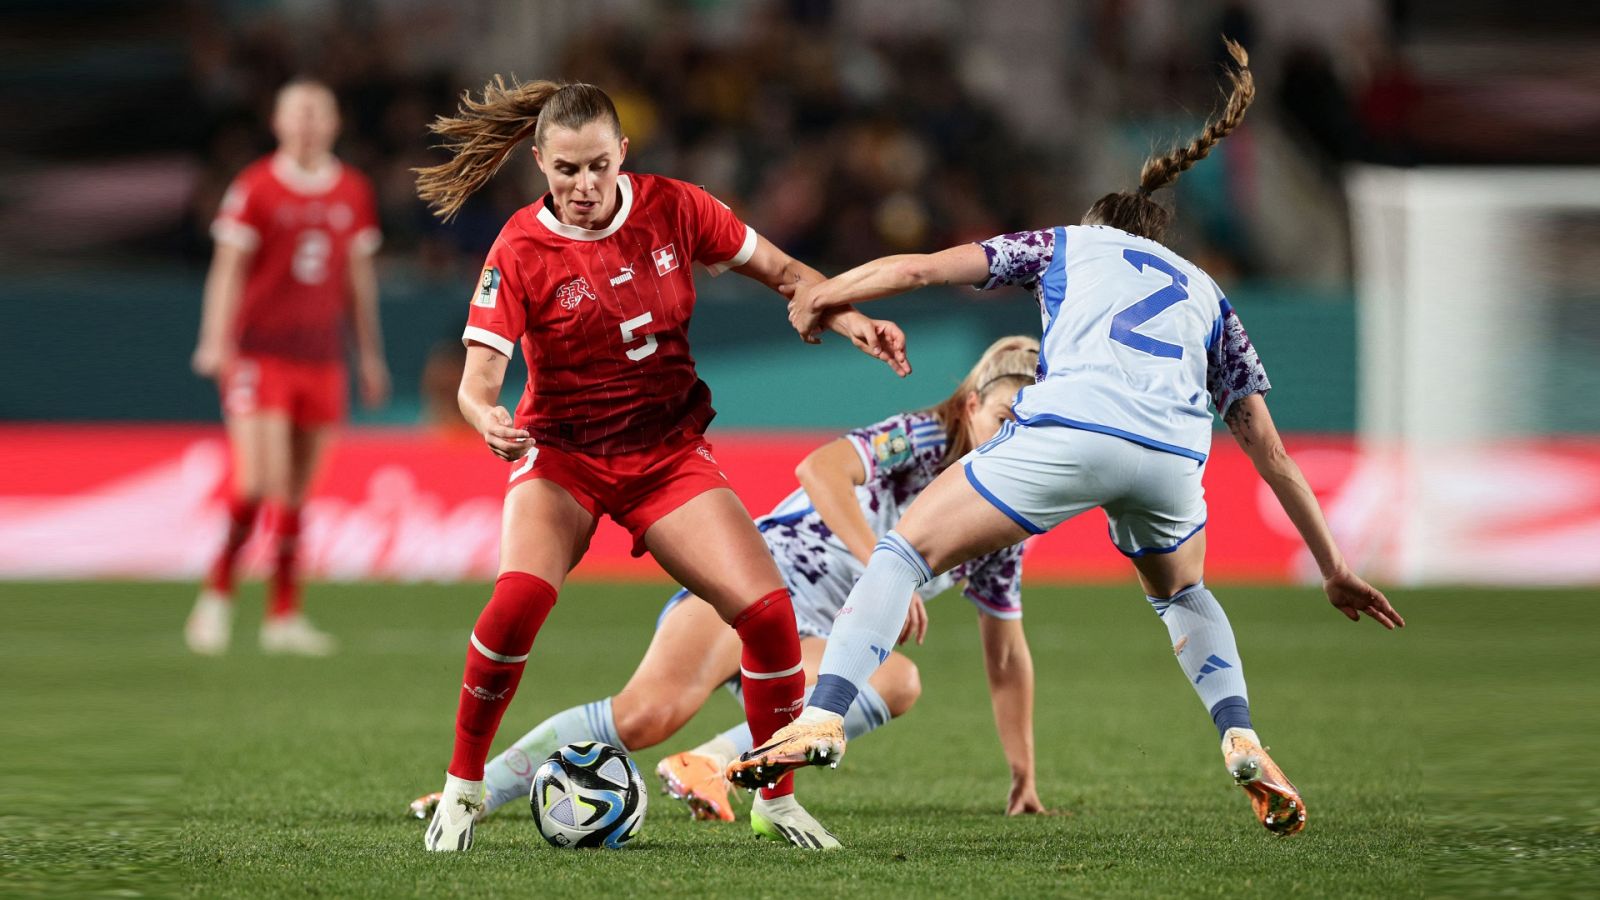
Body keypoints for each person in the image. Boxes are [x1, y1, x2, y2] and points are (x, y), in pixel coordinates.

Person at [732, 40, 1406, 838]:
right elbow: (1273, 452)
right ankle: (1241, 736)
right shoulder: (1209, 294)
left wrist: (826, 294)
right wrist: (1334, 567)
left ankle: (825, 715)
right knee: (1184, 595)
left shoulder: (1068, 244)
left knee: (903, 552)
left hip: (1074, 425)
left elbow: (919, 271)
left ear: (1099, 224)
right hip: (1171, 459)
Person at [410, 77, 908, 852]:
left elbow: (785, 272)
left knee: (770, 618)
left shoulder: (676, 208)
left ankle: (774, 800)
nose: (583, 185)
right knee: (516, 605)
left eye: (598, 166)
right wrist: (489, 420)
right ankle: (462, 790)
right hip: (563, 457)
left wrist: (852, 320)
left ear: (624, 156)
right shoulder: (518, 248)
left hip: (667, 456)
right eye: (566, 169)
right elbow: (476, 386)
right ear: (540, 161)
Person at [408, 337, 1046, 836]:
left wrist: (1023, 775)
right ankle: (476, 789)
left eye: (1032, 423)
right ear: (969, 406)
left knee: (898, 679)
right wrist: (886, 562)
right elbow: (819, 470)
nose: (1014, 433)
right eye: (1003, 415)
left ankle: (713, 764)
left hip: (820, 635)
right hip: (757, 585)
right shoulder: (925, 439)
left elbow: (1008, 656)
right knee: (646, 713)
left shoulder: (1001, 528)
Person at [186, 79, 390, 657]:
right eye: (296, 114)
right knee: (259, 482)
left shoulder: (354, 190)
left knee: (298, 496)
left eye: (316, 114)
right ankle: (218, 593)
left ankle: (282, 615)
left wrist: (368, 356)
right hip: (260, 354)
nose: (306, 124)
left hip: (322, 359)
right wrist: (214, 340)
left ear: (333, 124)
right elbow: (227, 269)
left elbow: (358, 282)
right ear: (277, 123)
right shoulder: (254, 187)